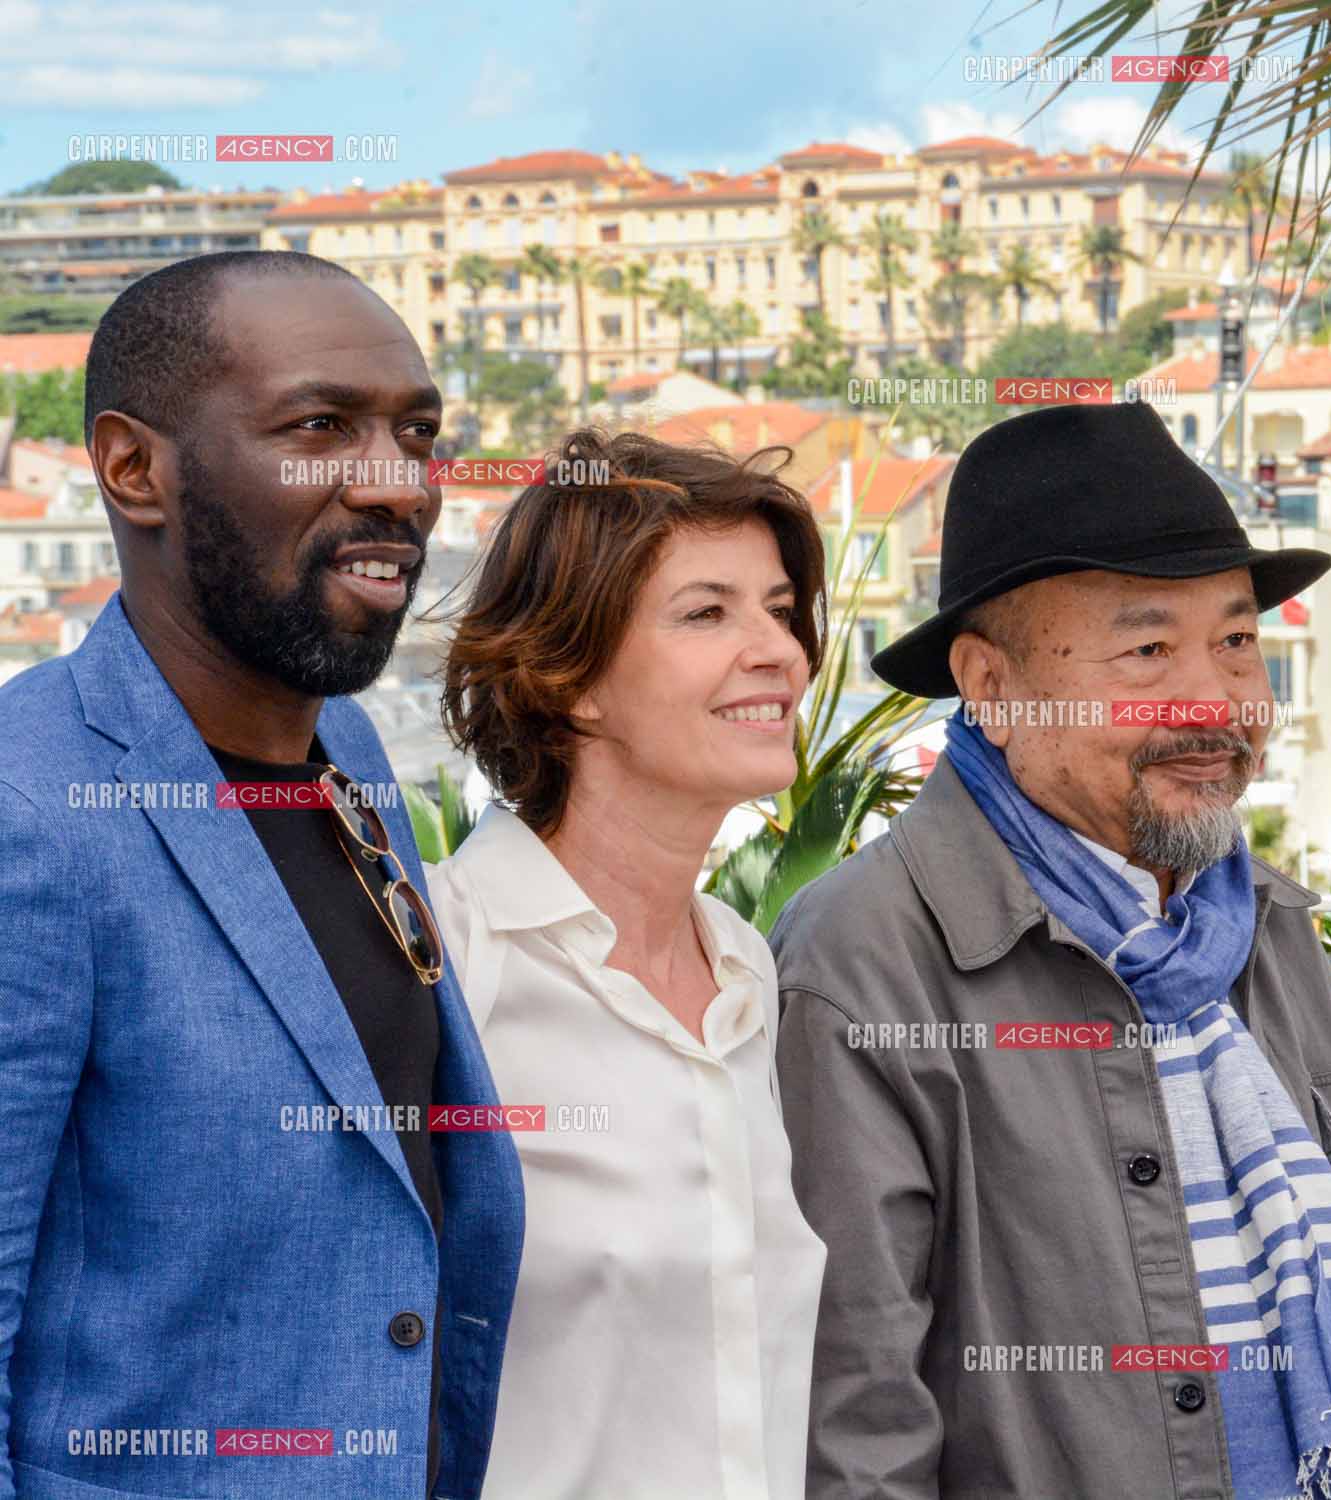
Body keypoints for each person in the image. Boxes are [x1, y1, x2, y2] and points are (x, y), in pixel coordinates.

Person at [770, 400, 1331, 1500]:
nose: (1220, 703)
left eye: (1237, 642)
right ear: (990, 688)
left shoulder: (1266, 927)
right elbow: (860, 1425)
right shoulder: (865, 966)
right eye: (1149, 650)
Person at [0, 250, 523, 1500]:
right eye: (321, 427)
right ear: (137, 471)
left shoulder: (347, 757)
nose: (397, 485)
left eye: (419, 432)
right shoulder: (31, 817)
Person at [428, 429, 828, 1499]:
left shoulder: (749, 973)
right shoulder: (451, 962)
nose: (778, 652)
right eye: (708, 613)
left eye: (781, 611)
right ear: (570, 679)